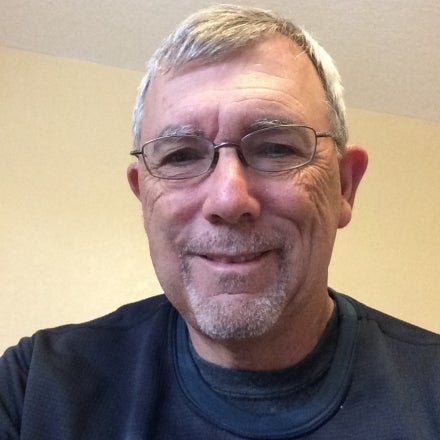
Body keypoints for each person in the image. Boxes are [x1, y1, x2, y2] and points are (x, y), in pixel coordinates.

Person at [1, 4, 439, 439]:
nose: (229, 199)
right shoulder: (33, 390)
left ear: (344, 186)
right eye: (181, 156)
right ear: (143, 197)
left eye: (276, 149)